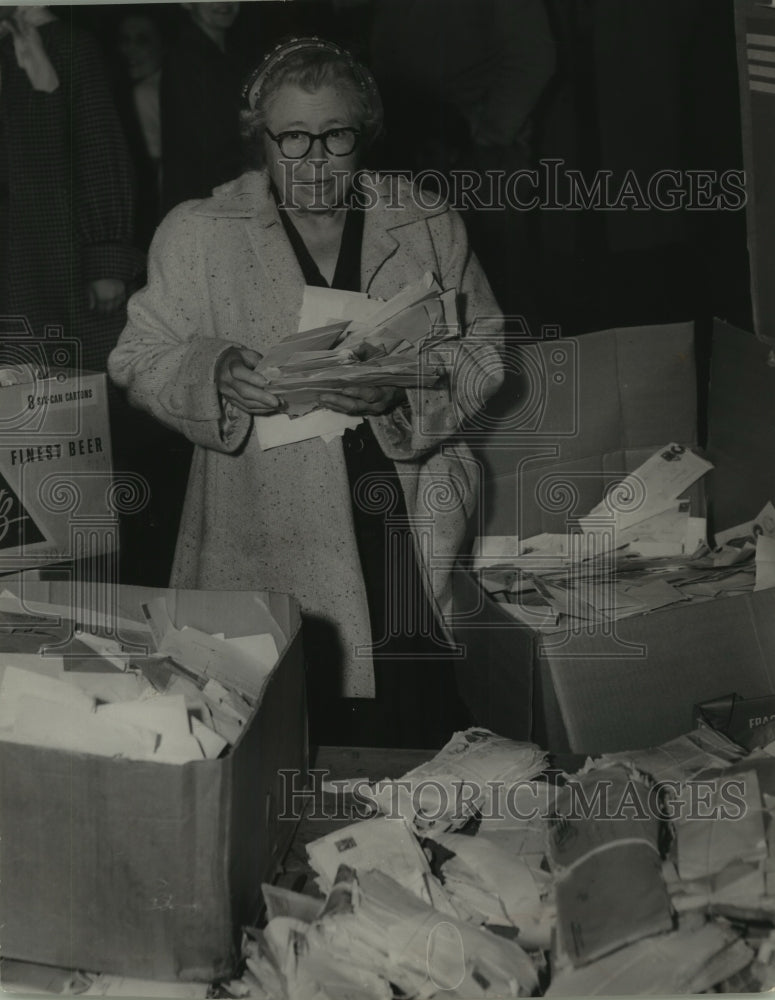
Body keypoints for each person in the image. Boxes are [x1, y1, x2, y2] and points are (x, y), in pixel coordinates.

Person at [109, 37, 504, 748]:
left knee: (412, 726)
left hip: (399, 513)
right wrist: (212, 370)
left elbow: (482, 350)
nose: (314, 161)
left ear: (366, 134)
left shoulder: (425, 223)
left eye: (336, 136)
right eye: (291, 138)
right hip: (264, 521)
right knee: (280, 726)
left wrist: (400, 394)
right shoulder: (200, 234)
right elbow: (138, 354)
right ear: (258, 136)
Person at [0, 5, 141, 373]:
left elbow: (99, 147)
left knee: (53, 384)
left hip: (43, 258)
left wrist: (105, 257)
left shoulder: (64, 45)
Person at [160, 2, 246, 213]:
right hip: (205, 199)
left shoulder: (232, 54)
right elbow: (208, 145)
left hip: (224, 193)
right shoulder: (186, 59)